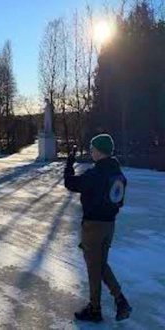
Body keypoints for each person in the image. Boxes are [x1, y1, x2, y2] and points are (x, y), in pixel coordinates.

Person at [65, 134, 132, 322]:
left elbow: (70, 183)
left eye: (93, 148)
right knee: (100, 265)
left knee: (94, 268)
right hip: (109, 225)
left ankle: (95, 309)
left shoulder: (95, 174)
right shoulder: (118, 174)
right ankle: (120, 300)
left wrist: (69, 163)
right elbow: (118, 201)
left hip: (93, 227)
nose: (91, 152)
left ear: (100, 151)